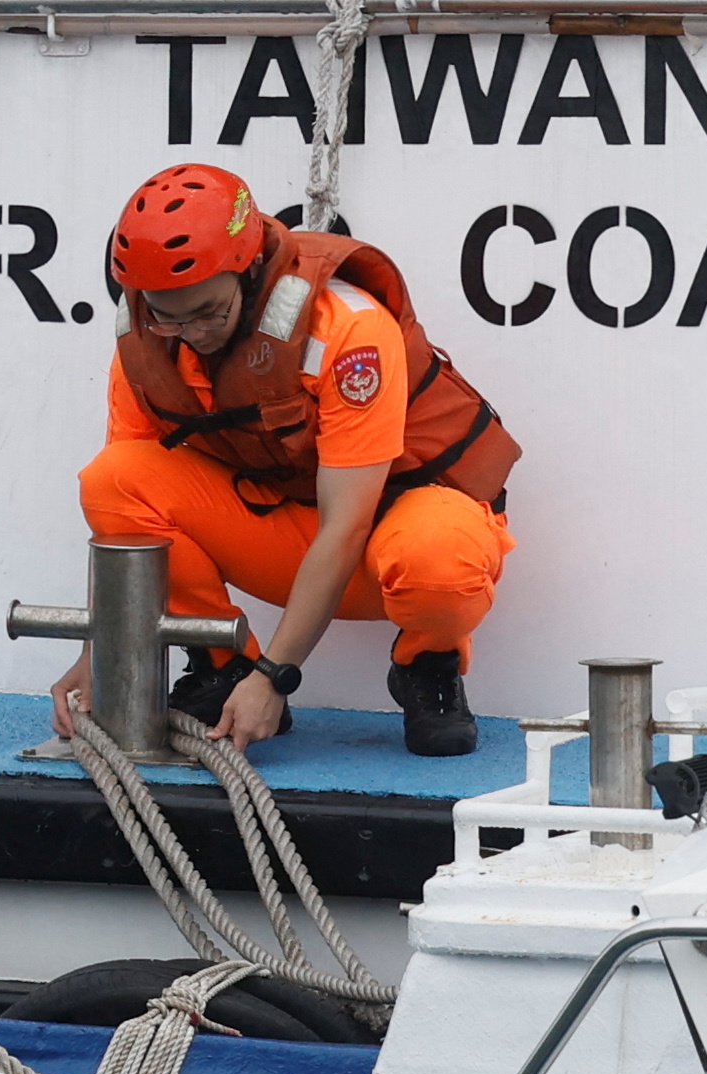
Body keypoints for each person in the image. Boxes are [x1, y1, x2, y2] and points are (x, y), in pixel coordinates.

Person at [50, 164, 516, 761]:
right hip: (291, 534)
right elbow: (123, 529)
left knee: (439, 558)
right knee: (114, 479)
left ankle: (426, 665)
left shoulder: (349, 330)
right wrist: (98, 656)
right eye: (166, 314)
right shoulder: (152, 336)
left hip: (385, 538)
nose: (188, 333)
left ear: (248, 271)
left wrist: (275, 678)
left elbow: (346, 525)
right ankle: (221, 664)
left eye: (207, 313)